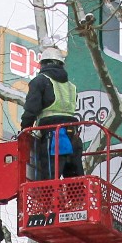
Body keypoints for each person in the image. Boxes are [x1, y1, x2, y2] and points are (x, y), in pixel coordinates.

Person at [19, 50, 82, 181]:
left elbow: (31, 109)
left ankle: (52, 198)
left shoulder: (40, 81)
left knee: (49, 177)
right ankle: (78, 200)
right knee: (75, 177)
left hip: (53, 134)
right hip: (72, 134)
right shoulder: (71, 86)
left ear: (43, 64)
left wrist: (24, 130)